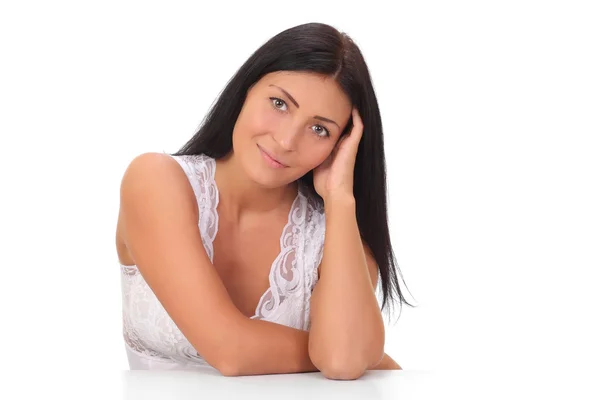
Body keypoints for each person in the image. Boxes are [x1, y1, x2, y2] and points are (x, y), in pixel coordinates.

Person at [116, 22, 415, 379]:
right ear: (247, 88)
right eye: (279, 103)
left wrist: (339, 199)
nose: (287, 140)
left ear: (340, 145)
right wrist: (346, 352)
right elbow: (231, 351)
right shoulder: (156, 181)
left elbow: (342, 361)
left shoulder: (337, 233)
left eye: (320, 129)